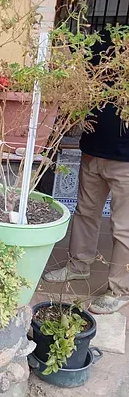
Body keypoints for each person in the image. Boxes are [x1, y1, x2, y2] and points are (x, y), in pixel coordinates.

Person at [43, 29, 129, 314]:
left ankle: (119, 290)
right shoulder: (98, 45)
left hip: (125, 162)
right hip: (92, 152)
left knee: (123, 227)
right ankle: (78, 266)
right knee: (85, 213)